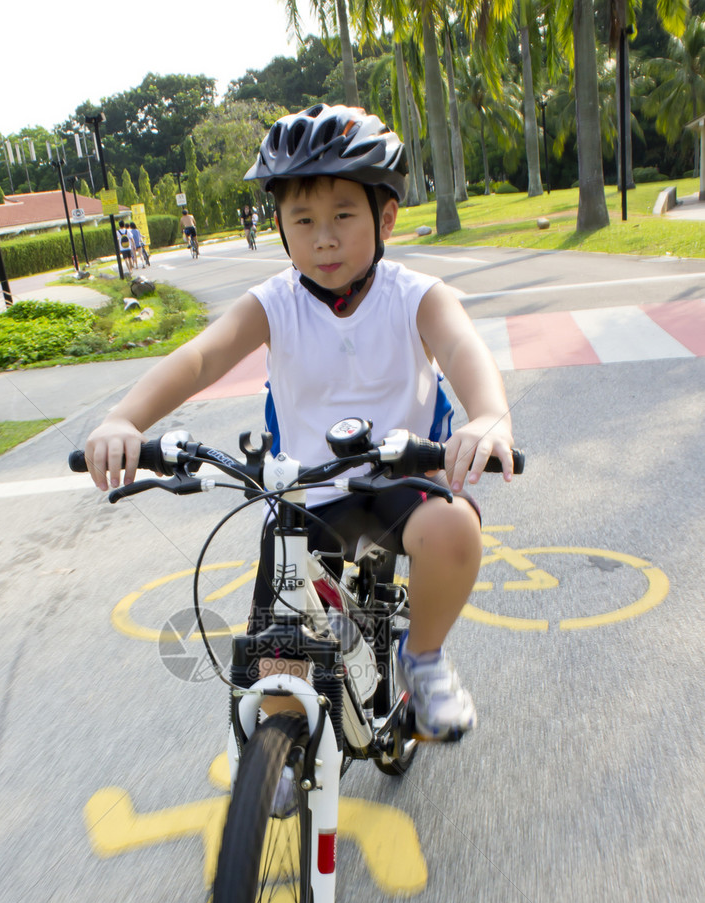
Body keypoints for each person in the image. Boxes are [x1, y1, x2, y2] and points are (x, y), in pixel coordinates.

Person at [85, 104, 514, 741]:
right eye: (303, 220)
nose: (324, 238)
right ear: (280, 229)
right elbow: (200, 357)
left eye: (344, 214)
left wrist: (487, 419)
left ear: (385, 216)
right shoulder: (275, 303)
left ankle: (421, 660)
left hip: (402, 484)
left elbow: (460, 350)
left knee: (455, 530)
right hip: (303, 501)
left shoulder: (417, 295)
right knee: (278, 687)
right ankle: (276, 779)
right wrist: (123, 419)